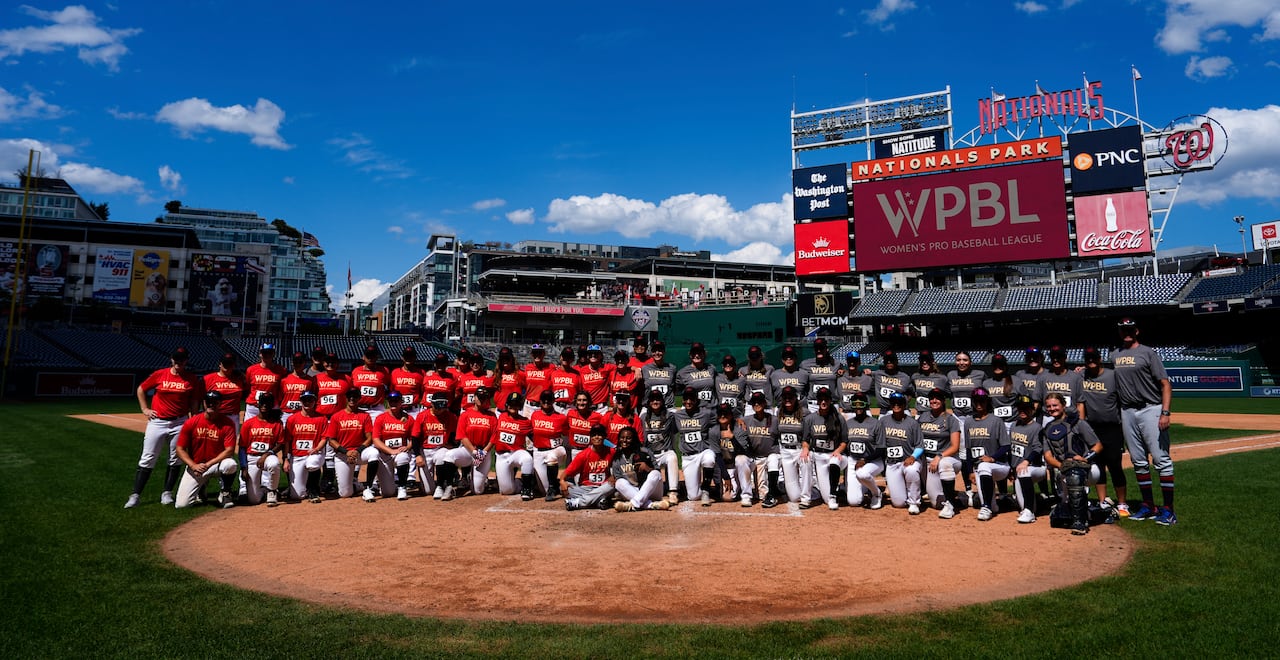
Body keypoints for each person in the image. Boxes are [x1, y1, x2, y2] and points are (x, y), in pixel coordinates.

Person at [1112, 318, 1177, 525]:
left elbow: (1165, 384)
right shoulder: (1114, 355)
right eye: (1123, 330)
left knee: (1161, 460)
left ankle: (1168, 510)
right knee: (1138, 462)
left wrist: (1165, 412)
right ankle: (1148, 505)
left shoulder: (1148, 353)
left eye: (1130, 330)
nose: (1127, 333)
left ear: (1137, 331)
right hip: (1127, 411)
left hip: (1150, 408)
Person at [125, 347, 204, 509]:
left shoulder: (191, 379)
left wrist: (194, 419)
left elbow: (195, 401)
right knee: (148, 457)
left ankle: (167, 493)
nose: (178, 362)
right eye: (176, 359)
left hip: (179, 422)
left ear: (186, 361)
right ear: (171, 359)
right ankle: (135, 495)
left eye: (182, 359)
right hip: (158, 422)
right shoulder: (160, 374)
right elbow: (141, 389)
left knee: (175, 458)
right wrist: (145, 409)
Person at [1042, 392, 1104, 535]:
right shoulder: (1047, 429)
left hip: (1088, 470)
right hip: (1064, 471)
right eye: (1049, 406)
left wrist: (1086, 458)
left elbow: (1098, 445)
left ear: (1063, 405)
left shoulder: (1078, 423)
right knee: (1061, 516)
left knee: (1074, 474)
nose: (1052, 408)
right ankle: (1091, 512)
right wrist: (1062, 465)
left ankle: (1079, 523)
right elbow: (1048, 455)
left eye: (1055, 405)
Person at [1080, 346, 1128, 515]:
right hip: (1092, 428)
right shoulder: (1081, 375)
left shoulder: (1112, 375)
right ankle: (1102, 501)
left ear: (1100, 359)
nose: (1090, 361)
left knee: (1115, 464)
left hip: (1112, 427)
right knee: (1097, 466)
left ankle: (1122, 503)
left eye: (1093, 358)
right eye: (1087, 358)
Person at [173, 391, 239, 509]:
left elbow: (229, 450)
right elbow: (179, 449)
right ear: (204, 403)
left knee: (230, 464)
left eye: (215, 402)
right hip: (196, 466)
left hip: (215, 464)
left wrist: (208, 464)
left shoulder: (228, 423)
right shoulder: (192, 422)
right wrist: (193, 465)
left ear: (220, 404)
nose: (211, 405)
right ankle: (201, 488)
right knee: (181, 505)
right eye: (208, 402)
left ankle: (225, 493)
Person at [965, 388, 1012, 521]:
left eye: (982, 401)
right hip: (980, 469)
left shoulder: (996, 421)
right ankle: (991, 505)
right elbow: (969, 450)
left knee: (984, 466)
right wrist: (970, 471)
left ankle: (985, 507)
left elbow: (1005, 445)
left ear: (988, 402)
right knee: (993, 505)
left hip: (999, 466)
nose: (979, 404)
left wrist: (992, 458)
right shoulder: (968, 422)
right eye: (976, 401)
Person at [875, 393, 924, 513]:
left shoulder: (912, 423)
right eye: (893, 403)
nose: (896, 405)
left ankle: (914, 501)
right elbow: (880, 444)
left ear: (904, 405)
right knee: (899, 503)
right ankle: (907, 493)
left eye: (899, 403)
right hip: (892, 463)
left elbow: (920, 445)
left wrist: (913, 456)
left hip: (909, 461)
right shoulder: (883, 421)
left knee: (912, 470)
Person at [918, 388, 962, 519]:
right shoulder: (923, 417)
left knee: (936, 503)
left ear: (943, 401)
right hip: (926, 461)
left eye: (937, 398)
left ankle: (957, 500)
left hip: (947, 460)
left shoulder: (950, 419)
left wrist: (939, 456)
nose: (934, 401)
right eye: (932, 398)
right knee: (935, 502)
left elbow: (955, 447)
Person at [800, 389, 847, 510]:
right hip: (820, 457)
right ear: (817, 401)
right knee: (806, 458)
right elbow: (805, 439)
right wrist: (805, 448)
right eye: (821, 399)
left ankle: (833, 495)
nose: (823, 402)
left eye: (826, 399)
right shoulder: (810, 419)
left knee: (834, 462)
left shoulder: (839, 418)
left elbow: (844, 441)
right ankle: (806, 497)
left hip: (835, 456)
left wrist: (837, 451)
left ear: (831, 401)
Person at [325, 387, 373, 500]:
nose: (352, 399)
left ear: (359, 398)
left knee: (375, 454)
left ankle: (369, 485)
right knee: (345, 493)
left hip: (360, 453)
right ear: (346, 398)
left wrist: (357, 451)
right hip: (343, 455)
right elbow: (331, 440)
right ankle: (356, 485)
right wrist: (346, 452)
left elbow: (369, 438)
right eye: (350, 396)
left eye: (355, 396)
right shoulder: (336, 416)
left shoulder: (364, 415)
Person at [674, 385, 718, 506]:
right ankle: (692, 488)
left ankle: (706, 490)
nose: (688, 402)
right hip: (688, 456)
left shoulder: (706, 414)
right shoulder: (678, 416)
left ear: (696, 400)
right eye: (686, 399)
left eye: (691, 399)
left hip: (703, 451)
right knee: (693, 497)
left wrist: (738, 421)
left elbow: (722, 419)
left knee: (709, 458)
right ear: (683, 400)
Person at [368, 391, 415, 500]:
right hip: (385, 455)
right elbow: (376, 440)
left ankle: (402, 487)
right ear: (387, 402)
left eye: (396, 400)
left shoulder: (408, 418)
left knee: (403, 457)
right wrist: (390, 451)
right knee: (388, 492)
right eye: (391, 401)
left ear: (401, 402)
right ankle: (387, 485)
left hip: (399, 453)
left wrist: (407, 447)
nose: (393, 403)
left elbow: (414, 438)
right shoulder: (381, 418)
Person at [239, 392, 284, 506]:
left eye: (268, 403)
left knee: (274, 464)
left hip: (268, 456)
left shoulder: (277, 423)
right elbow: (242, 447)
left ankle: (272, 491)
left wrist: (267, 454)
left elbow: (280, 443)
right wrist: (244, 467)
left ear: (271, 405)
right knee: (254, 500)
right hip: (252, 458)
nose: (264, 405)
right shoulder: (248, 423)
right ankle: (263, 491)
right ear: (258, 405)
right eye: (262, 403)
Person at [610, 427, 670, 511]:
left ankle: (633, 504)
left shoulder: (644, 451)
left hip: (652, 490)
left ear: (634, 439)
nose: (624, 440)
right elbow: (618, 479)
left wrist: (648, 468)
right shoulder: (617, 457)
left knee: (655, 473)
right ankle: (650, 505)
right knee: (619, 482)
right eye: (622, 437)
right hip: (633, 491)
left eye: (628, 438)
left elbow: (658, 473)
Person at [738, 392, 781, 508]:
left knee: (773, 458)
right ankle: (746, 495)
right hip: (755, 459)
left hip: (769, 457)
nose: (757, 404)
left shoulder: (774, 420)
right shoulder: (746, 420)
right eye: (754, 402)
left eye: (760, 402)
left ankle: (772, 493)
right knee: (760, 495)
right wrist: (738, 420)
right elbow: (733, 421)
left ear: (764, 403)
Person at [639, 390, 682, 506]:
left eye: (658, 399)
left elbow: (675, 431)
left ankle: (673, 491)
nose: (655, 402)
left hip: (664, 452)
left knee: (672, 456)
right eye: (652, 399)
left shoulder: (669, 416)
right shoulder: (643, 417)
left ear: (662, 402)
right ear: (649, 402)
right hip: (650, 453)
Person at [1008, 395, 1046, 524]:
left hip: (1036, 467)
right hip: (1019, 470)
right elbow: (1010, 449)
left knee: (1025, 471)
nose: (1022, 411)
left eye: (1025, 408)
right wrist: (1010, 468)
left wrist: (1026, 462)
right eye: (1020, 408)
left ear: (1032, 410)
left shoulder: (1037, 428)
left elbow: (1038, 449)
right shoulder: (1014, 425)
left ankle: (1030, 511)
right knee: (1022, 506)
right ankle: (1032, 508)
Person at [492, 392, 537, 500]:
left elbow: (535, 438)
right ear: (507, 405)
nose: (513, 407)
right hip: (501, 456)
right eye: (511, 404)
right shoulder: (501, 417)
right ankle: (519, 482)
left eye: (516, 404)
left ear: (520, 406)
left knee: (527, 458)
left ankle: (527, 488)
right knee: (507, 491)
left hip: (517, 453)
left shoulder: (525, 422)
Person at [285, 391, 328, 502]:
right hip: (297, 456)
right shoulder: (292, 419)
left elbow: (324, 438)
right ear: (301, 401)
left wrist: (317, 449)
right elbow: (287, 441)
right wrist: (286, 459)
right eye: (305, 400)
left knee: (312, 463)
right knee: (297, 496)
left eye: (310, 400)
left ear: (315, 401)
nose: (307, 402)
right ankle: (305, 487)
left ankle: (313, 490)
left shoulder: (322, 418)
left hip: (314, 454)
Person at [455, 385, 498, 496]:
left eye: (484, 397)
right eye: (479, 397)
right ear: (474, 397)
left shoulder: (492, 416)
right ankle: (447, 484)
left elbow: (494, 437)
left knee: (478, 491)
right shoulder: (465, 414)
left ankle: (472, 476)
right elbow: (461, 435)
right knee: (449, 456)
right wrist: (474, 451)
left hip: (484, 451)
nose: (481, 399)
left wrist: (483, 452)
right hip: (469, 450)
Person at [561, 425, 616, 510]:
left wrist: (614, 476)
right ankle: (599, 501)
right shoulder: (583, 455)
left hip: (604, 486)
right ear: (590, 438)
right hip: (586, 488)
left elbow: (620, 466)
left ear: (605, 437)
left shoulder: (611, 452)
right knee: (567, 490)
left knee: (614, 485)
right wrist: (562, 482)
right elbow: (565, 474)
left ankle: (578, 503)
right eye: (594, 435)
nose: (596, 437)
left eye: (600, 434)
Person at [414, 392, 457, 499]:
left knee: (442, 456)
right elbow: (415, 437)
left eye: (442, 408)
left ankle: (440, 485)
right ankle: (433, 486)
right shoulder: (422, 416)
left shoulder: (450, 416)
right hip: (425, 451)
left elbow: (455, 433)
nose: (440, 411)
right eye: (438, 408)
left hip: (440, 448)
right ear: (431, 404)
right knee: (428, 491)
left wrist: (452, 444)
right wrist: (417, 455)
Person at [844, 393, 884, 508]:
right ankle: (865, 487)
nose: (858, 407)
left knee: (863, 474)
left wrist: (864, 460)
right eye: (855, 404)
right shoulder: (849, 423)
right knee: (854, 501)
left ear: (866, 405)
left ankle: (876, 494)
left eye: (861, 404)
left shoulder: (876, 423)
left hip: (873, 460)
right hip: (854, 461)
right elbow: (846, 445)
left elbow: (881, 449)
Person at [772, 385, 810, 504]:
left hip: (800, 449)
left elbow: (809, 433)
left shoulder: (804, 413)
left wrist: (805, 448)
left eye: (791, 397)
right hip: (785, 451)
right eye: (785, 397)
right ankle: (804, 490)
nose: (788, 399)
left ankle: (809, 492)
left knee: (807, 462)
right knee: (794, 498)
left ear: (796, 398)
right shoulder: (779, 412)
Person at [529, 390, 569, 501]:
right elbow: (530, 431)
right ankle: (554, 484)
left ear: (553, 401)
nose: (546, 402)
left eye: (549, 399)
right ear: (540, 401)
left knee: (551, 456)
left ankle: (552, 487)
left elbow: (567, 434)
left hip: (557, 450)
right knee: (543, 490)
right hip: (539, 451)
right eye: (544, 399)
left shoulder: (561, 417)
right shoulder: (535, 415)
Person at [709, 402, 749, 502]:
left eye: (725, 413)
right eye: (720, 414)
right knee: (727, 497)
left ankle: (746, 495)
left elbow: (744, 452)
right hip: (726, 466)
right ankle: (734, 486)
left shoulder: (739, 429)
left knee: (741, 459)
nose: (723, 416)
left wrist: (733, 438)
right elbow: (718, 456)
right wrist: (726, 477)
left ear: (731, 415)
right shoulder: (714, 431)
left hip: (740, 464)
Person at [1041, 345, 1084, 420]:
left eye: (1059, 357)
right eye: (1053, 357)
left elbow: (1080, 403)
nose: (1055, 360)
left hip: (1070, 417)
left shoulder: (1076, 377)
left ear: (1065, 358)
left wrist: (1081, 423)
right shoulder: (1043, 377)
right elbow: (1037, 402)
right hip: (1048, 417)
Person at [244, 343, 286, 420]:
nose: (267, 355)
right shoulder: (251, 370)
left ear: (274, 354)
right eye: (264, 353)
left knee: (271, 431)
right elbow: (247, 387)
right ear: (260, 354)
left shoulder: (281, 370)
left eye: (269, 353)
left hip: (272, 406)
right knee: (251, 430)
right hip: (254, 406)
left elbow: (282, 389)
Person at [351, 345, 390, 420]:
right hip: (359, 408)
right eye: (368, 355)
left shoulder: (384, 371)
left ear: (376, 357)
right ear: (363, 357)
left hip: (377, 409)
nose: (370, 358)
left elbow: (389, 388)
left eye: (373, 355)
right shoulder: (356, 371)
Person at [800, 338, 839, 413]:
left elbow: (846, 374)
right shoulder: (805, 364)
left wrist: (864, 372)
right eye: (816, 348)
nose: (819, 350)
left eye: (821, 348)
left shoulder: (836, 364)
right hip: (813, 405)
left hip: (831, 404)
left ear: (826, 349)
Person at [676, 342, 716, 408]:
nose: (696, 355)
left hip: (711, 411)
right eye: (694, 353)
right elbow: (678, 393)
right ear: (690, 354)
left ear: (704, 354)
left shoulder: (711, 368)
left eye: (699, 353)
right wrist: (678, 409)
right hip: (694, 412)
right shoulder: (682, 373)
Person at [871, 350, 911, 416]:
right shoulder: (878, 374)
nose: (889, 362)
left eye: (891, 360)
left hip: (902, 410)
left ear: (896, 361)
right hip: (884, 411)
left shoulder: (905, 377)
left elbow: (911, 393)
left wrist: (904, 402)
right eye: (887, 360)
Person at [639, 340, 678, 408]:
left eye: (660, 350)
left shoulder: (672, 368)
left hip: (668, 407)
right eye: (654, 351)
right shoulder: (645, 369)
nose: (657, 353)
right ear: (651, 353)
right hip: (649, 408)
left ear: (664, 352)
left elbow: (675, 388)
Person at [565, 392, 603, 459]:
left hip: (590, 451)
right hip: (574, 451)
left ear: (589, 402)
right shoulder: (570, 414)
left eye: (584, 400)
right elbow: (565, 430)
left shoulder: (597, 417)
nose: (581, 403)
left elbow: (604, 434)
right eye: (579, 400)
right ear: (576, 402)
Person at [390, 347, 427, 418]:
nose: (408, 358)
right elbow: (391, 390)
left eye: (411, 356)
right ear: (402, 357)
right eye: (406, 356)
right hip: (398, 410)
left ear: (415, 357)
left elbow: (423, 392)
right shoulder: (395, 372)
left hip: (414, 411)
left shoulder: (421, 373)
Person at [279, 351, 315, 422]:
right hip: (286, 413)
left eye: (300, 362)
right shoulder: (284, 380)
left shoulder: (310, 381)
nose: (298, 364)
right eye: (296, 362)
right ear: (292, 363)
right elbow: (280, 398)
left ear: (304, 363)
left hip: (302, 413)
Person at [769, 346, 809, 410]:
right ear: (782, 359)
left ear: (795, 358)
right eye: (786, 356)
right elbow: (770, 395)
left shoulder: (804, 374)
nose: (788, 358)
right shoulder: (774, 375)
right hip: (781, 411)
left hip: (801, 411)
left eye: (791, 356)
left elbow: (808, 393)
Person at [911, 350, 949, 417]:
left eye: (927, 360)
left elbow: (948, 395)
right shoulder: (915, 377)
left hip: (936, 415)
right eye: (922, 360)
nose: (924, 362)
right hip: (920, 414)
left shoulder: (942, 379)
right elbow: (912, 393)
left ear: (932, 362)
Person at [579, 344, 614, 413]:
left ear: (601, 356)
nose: (593, 355)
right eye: (590, 353)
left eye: (596, 353)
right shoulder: (582, 370)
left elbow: (622, 366)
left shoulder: (607, 368)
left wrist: (635, 369)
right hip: (586, 408)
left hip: (602, 409)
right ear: (587, 356)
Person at [522, 344, 555, 413]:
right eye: (535, 353)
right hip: (528, 406)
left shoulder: (551, 367)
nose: (537, 355)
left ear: (544, 354)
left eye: (540, 353)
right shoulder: (527, 368)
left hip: (543, 406)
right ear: (531, 354)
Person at [550, 347, 583, 414]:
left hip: (571, 408)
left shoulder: (577, 374)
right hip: (556, 407)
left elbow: (580, 392)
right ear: (560, 357)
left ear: (572, 359)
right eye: (564, 356)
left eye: (569, 356)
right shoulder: (553, 373)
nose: (566, 358)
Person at [741, 345, 775, 412]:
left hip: (766, 405)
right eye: (752, 356)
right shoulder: (743, 370)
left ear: (761, 356)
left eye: (757, 356)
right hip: (751, 405)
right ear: (748, 357)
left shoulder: (770, 369)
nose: (754, 359)